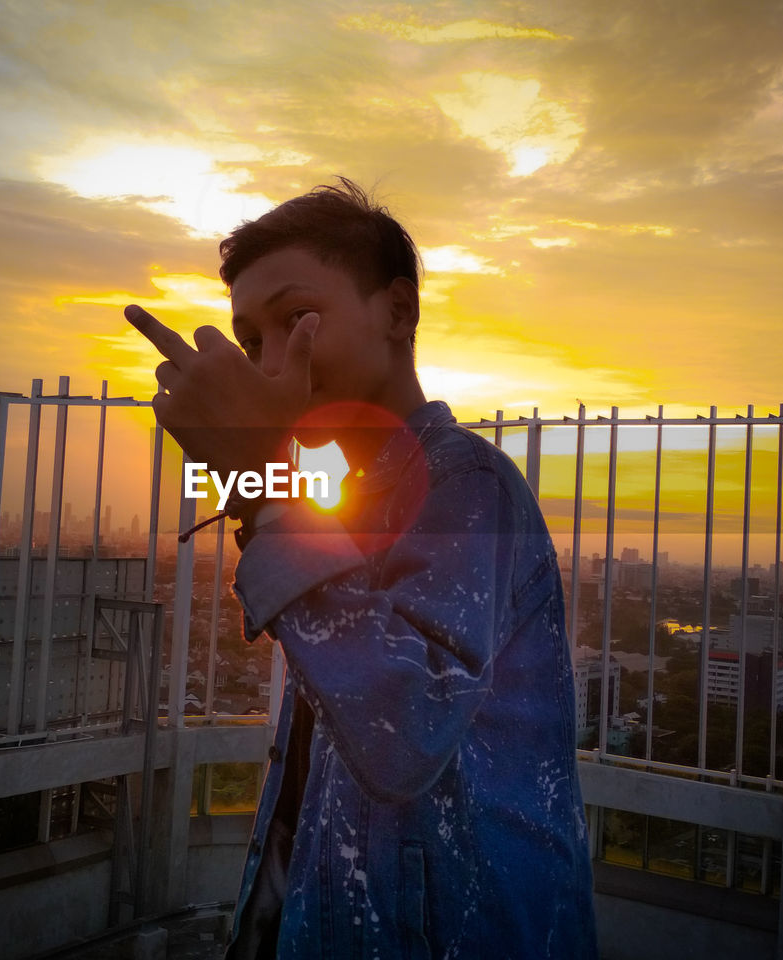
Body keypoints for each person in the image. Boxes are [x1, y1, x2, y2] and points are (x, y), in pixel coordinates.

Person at [125, 179, 597, 959]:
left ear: (398, 313)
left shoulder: (465, 485)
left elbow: (406, 734)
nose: (276, 361)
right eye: (251, 341)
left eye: (298, 318)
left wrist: (264, 488)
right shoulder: (341, 492)